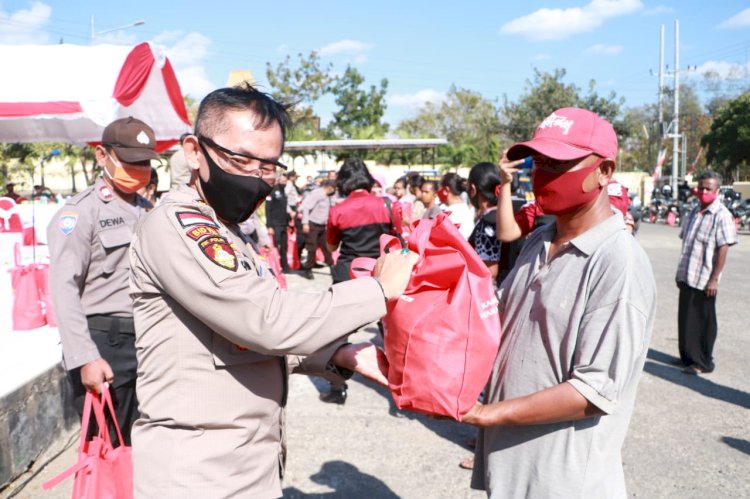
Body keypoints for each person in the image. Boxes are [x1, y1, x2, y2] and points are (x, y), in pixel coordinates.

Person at [128, 84, 416, 498]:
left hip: (246, 466)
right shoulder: (177, 227)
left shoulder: (229, 232)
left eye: (269, 166)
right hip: (199, 474)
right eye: (242, 159)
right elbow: (267, 320)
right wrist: (378, 290)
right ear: (194, 151)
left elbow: (239, 337)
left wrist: (336, 354)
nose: (258, 178)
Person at [463, 107, 657, 497]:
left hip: (561, 480)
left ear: (603, 171)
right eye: (540, 161)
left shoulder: (618, 262)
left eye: (560, 163)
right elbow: (498, 320)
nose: (543, 174)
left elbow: (592, 391)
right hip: (513, 468)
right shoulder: (539, 239)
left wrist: (486, 414)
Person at [47, 116, 157, 446]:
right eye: (130, 162)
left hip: (147, 342)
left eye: (144, 163)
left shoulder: (148, 210)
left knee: (145, 447)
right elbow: (63, 289)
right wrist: (84, 357)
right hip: (105, 344)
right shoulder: (79, 213)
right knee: (107, 449)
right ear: (102, 155)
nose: (138, 170)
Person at [675, 171, 737, 375]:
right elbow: (686, 242)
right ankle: (687, 357)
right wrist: (680, 273)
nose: (703, 192)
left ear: (717, 191)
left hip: (705, 279)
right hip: (688, 274)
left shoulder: (722, 215)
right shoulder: (694, 211)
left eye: (708, 189)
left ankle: (702, 362)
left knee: (703, 321)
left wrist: (714, 279)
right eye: (701, 188)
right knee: (686, 319)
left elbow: (723, 248)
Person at [298, 178, 336, 279]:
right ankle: (308, 269)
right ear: (329, 188)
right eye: (334, 189)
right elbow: (306, 207)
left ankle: (332, 266)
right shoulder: (317, 193)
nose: (334, 191)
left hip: (322, 225)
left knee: (326, 247)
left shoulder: (328, 196)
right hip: (313, 224)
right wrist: (305, 223)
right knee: (312, 247)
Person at [265, 171, 292, 273]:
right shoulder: (272, 192)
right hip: (275, 224)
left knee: (284, 246)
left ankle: (285, 267)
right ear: (277, 180)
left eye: (285, 181)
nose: (284, 182)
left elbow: (284, 209)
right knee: (276, 246)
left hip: (283, 224)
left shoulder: (284, 192)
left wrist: (288, 220)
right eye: (282, 180)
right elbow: (268, 210)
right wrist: (269, 226)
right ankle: (276, 267)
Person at [439, 172, 474, 240]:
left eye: (440, 187)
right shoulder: (464, 209)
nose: (438, 191)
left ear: (446, 190)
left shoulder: (451, 214)